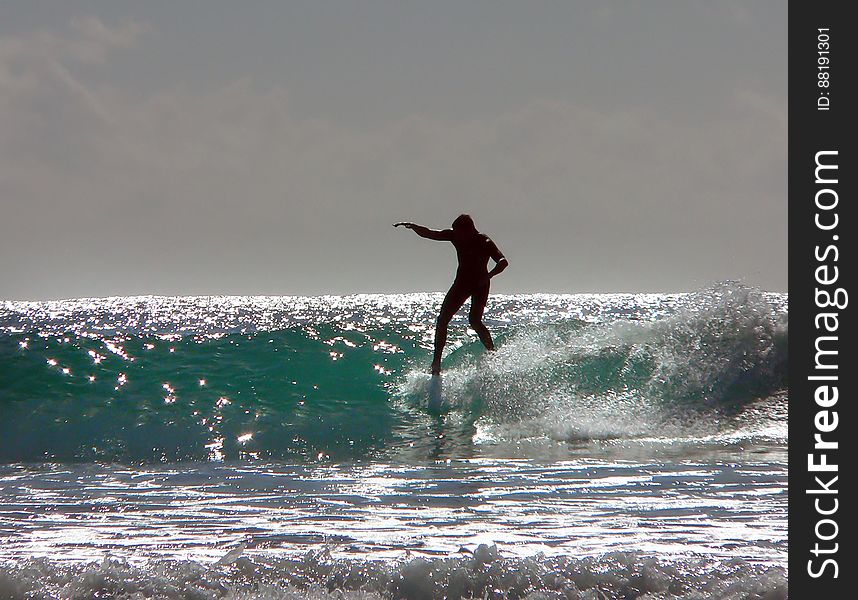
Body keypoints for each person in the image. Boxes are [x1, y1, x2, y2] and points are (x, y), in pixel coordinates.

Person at [394, 214, 508, 375]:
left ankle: (492, 353)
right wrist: (413, 226)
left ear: (469, 230)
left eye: (460, 233)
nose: (457, 236)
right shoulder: (455, 236)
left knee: (475, 321)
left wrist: (488, 276)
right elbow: (430, 233)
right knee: (442, 320)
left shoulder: (484, 242)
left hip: (480, 285)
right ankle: (436, 364)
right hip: (461, 283)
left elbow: (503, 261)